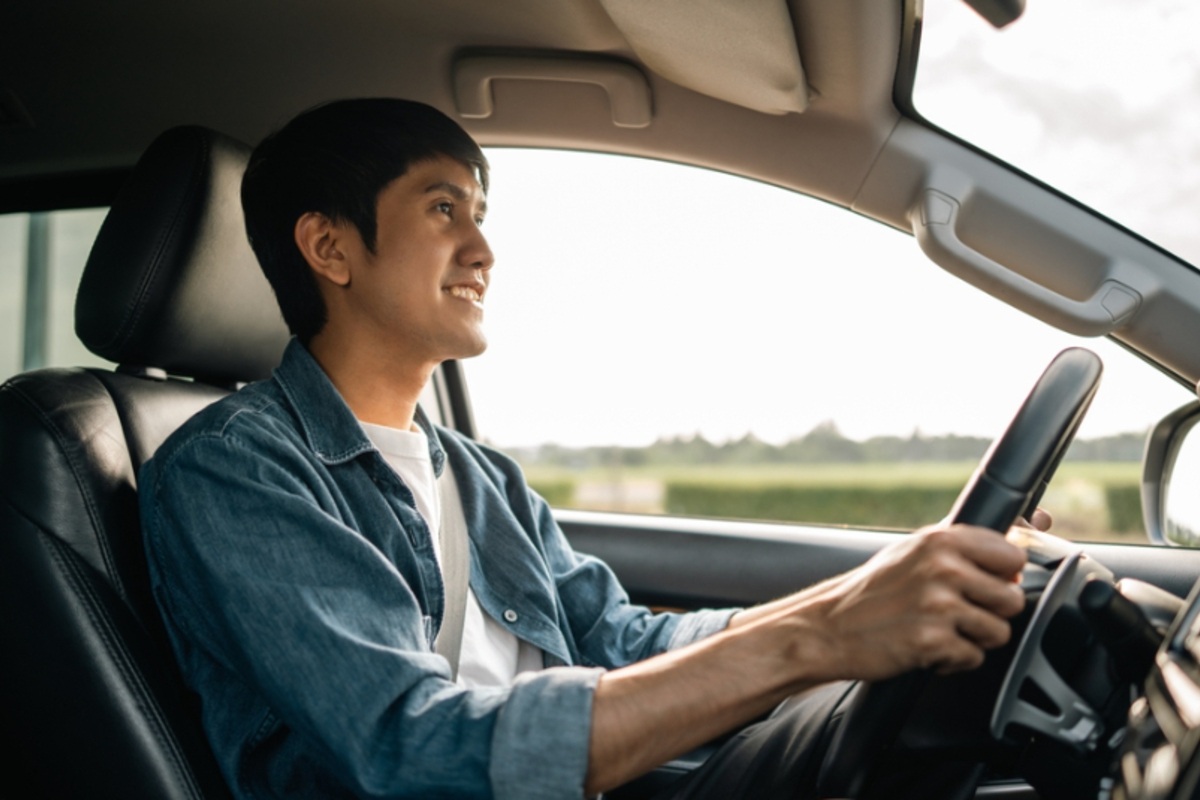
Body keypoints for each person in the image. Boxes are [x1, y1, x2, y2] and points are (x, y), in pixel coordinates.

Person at [139, 98, 1032, 800]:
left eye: (480, 214)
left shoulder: (477, 475)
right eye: (443, 208)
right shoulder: (235, 471)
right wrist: (818, 640)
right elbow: (408, 748)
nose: (483, 249)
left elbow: (623, 641)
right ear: (330, 246)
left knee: (952, 693)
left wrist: (884, 590)